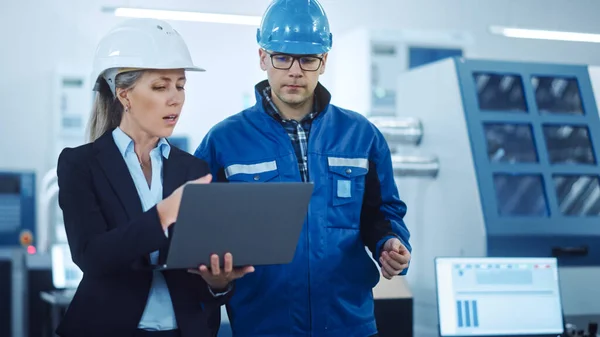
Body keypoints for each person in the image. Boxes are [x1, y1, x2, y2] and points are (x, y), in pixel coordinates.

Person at [194, 0, 412, 336]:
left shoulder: (361, 136)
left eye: (308, 59)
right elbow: (199, 231)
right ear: (263, 57)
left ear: (323, 61)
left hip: (348, 324)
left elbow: (382, 213)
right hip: (263, 325)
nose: (295, 71)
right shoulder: (223, 142)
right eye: (282, 57)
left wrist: (390, 243)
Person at [56, 18, 253, 337]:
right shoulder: (80, 164)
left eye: (180, 85)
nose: (175, 98)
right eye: (161, 86)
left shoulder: (194, 169)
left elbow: (200, 282)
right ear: (124, 95)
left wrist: (217, 283)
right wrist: (164, 214)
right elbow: (92, 256)